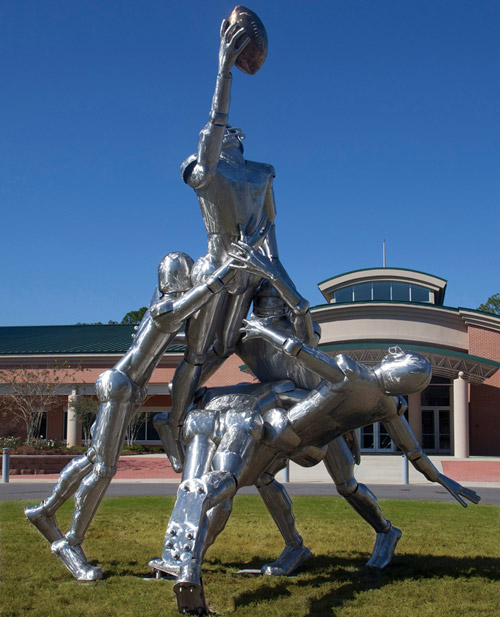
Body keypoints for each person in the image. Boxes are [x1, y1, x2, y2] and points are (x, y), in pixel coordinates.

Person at [157, 333, 480, 614]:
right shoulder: (367, 386)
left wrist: (441, 478)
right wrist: (438, 477)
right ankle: (292, 545)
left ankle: (384, 531)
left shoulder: (377, 395)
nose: (400, 381)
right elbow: (300, 356)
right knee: (265, 478)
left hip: (319, 436)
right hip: (299, 430)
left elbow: (298, 349)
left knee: (345, 486)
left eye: (409, 381)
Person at [24, 245, 257, 581]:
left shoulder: (162, 306)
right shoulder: (164, 307)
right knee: (104, 468)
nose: (190, 281)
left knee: (92, 458)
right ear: (176, 278)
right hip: (121, 385)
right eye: (186, 276)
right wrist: (223, 276)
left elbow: (201, 328)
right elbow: (185, 308)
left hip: (128, 388)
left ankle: (46, 511)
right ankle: (71, 543)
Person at [160, 18, 304, 472]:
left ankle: (296, 418)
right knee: (202, 354)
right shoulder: (205, 172)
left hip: (256, 275)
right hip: (216, 271)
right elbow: (214, 124)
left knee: (277, 345)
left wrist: (289, 293)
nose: (221, 136)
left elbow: (273, 248)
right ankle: (174, 421)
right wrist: (223, 68)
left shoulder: (262, 174)